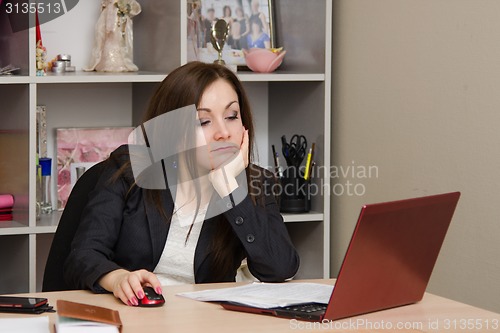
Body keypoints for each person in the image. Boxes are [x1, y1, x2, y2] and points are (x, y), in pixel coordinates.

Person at [64, 61, 300, 306]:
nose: (223, 132)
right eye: (203, 121)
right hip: (134, 315)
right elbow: (82, 255)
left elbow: (281, 267)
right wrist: (117, 279)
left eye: (231, 116)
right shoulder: (132, 169)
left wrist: (230, 188)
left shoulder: (257, 183)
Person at [86, 0, 142, 72]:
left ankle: (121, 62)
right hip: (108, 15)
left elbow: (135, 7)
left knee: (119, 39)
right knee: (108, 38)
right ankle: (107, 61)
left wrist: (125, 8)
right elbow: (104, 4)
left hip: (119, 18)